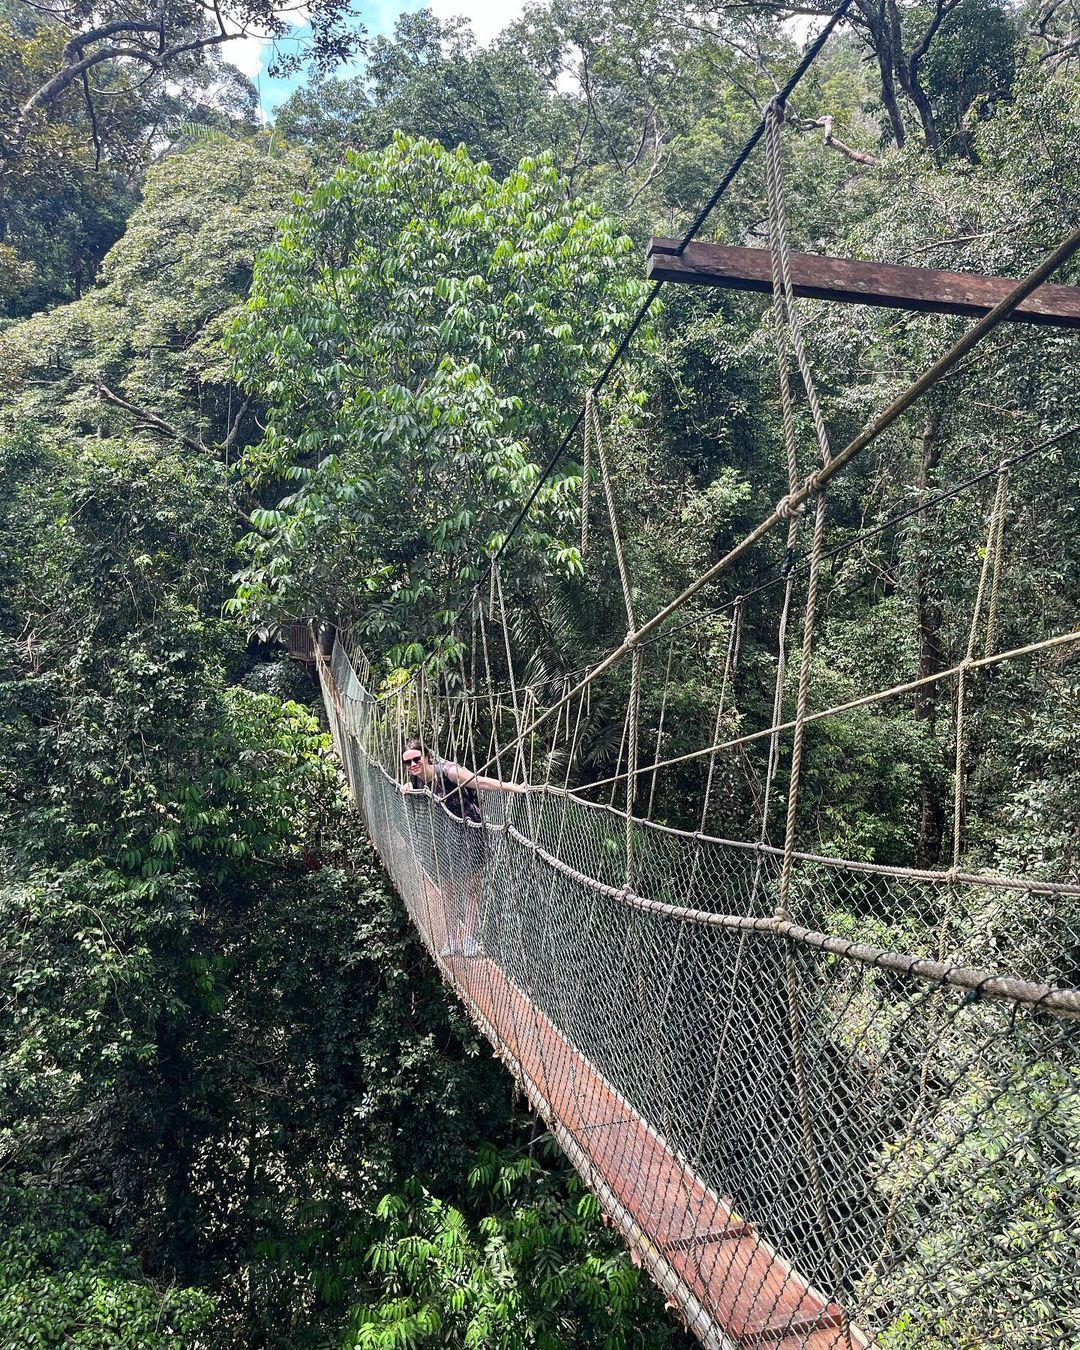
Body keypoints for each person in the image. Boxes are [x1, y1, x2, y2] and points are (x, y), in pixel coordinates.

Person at [400, 739, 527, 958]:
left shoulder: (449, 772)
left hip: (471, 833)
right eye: (407, 762)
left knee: (470, 889)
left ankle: (469, 939)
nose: (412, 765)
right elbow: (415, 789)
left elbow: (480, 782)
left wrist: (512, 788)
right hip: (445, 837)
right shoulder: (417, 780)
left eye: (416, 759)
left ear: (427, 757)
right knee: (448, 890)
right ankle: (451, 940)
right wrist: (406, 788)